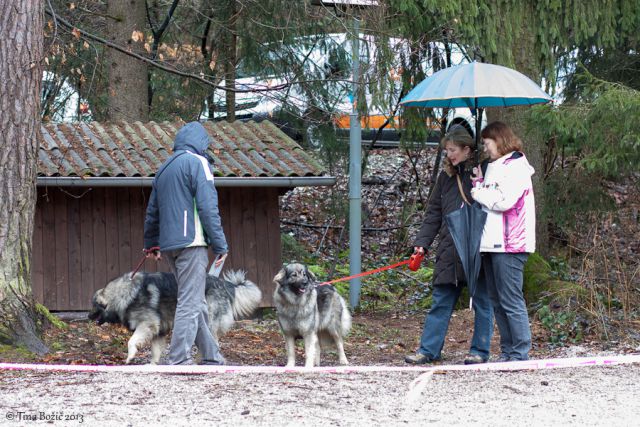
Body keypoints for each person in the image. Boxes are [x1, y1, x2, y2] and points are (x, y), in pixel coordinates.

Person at [405, 125, 493, 365]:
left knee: (483, 302)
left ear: (467, 149)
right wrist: (422, 243)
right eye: (447, 150)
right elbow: (433, 213)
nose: (449, 155)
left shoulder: (485, 171)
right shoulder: (446, 177)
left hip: (479, 247)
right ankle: (428, 350)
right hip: (449, 249)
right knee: (441, 302)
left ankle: (479, 351)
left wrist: (479, 182)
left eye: (453, 150)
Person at [143, 121, 228, 365]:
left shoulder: (164, 168)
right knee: (190, 303)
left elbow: (153, 211)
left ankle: (212, 356)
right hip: (192, 242)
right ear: (201, 143)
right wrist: (220, 245)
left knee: (196, 301)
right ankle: (178, 358)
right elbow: (208, 207)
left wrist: (151, 243)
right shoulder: (197, 162)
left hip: (170, 246)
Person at [470, 121, 535, 361]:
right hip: (491, 243)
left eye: (487, 143)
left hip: (510, 244)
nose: (485, 149)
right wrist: (479, 182)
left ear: (499, 141)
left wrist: (478, 192)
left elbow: (504, 201)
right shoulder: (494, 166)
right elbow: (492, 196)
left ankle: (519, 351)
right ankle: (508, 351)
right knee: (497, 301)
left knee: (510, 299)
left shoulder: (516, 166)